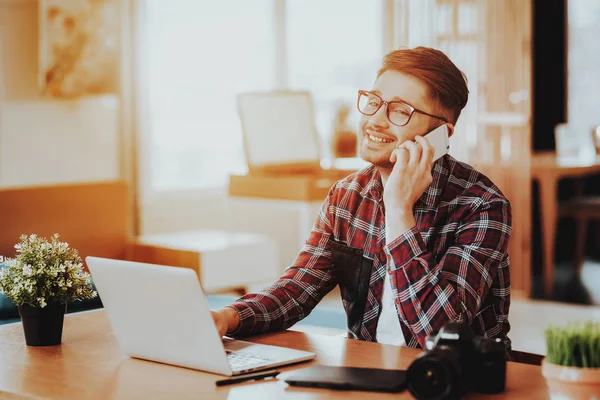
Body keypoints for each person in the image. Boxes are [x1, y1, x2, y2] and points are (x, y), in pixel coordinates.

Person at [212, 46, 512, 353]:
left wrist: (398, 210)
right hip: (368, 372)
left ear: (440, 134)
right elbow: (298, 288)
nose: (376, 121)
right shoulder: (347, 196)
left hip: (457, 380)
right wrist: (227, 316)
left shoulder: (482, 205)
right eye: (374, 102)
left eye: (399, 110)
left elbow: (440, 334)